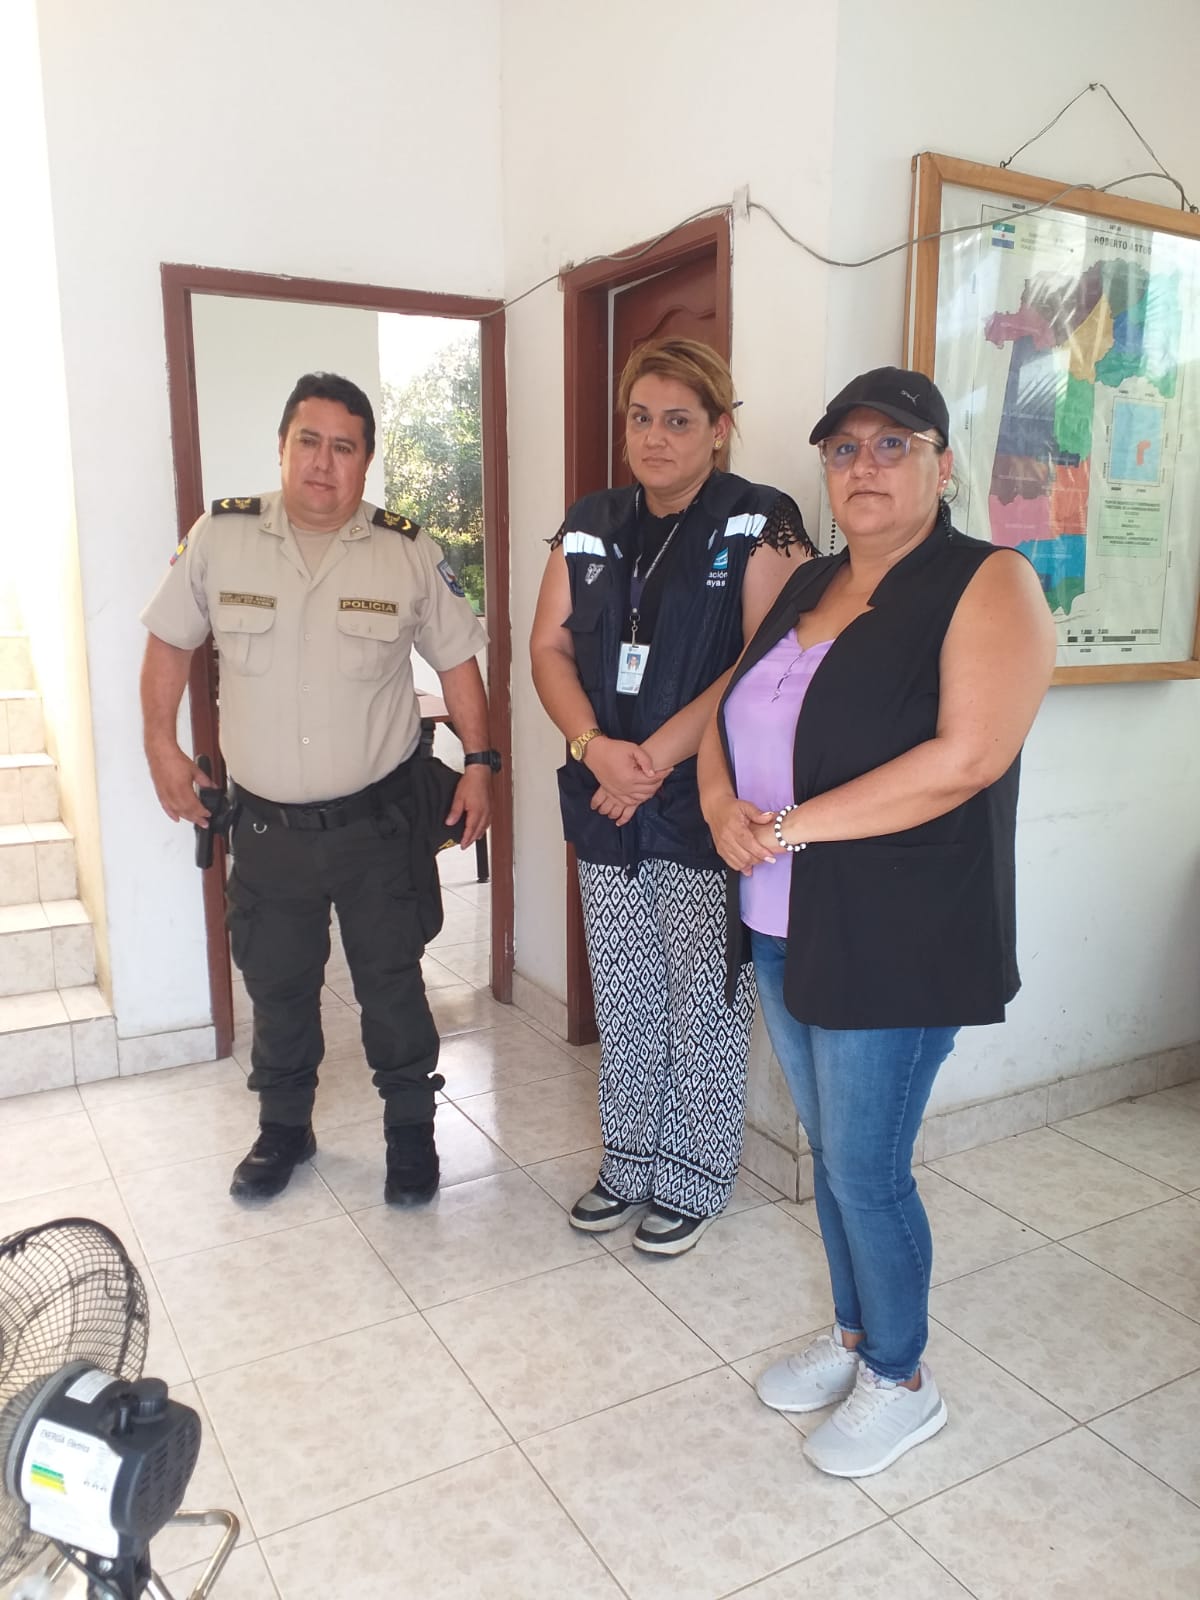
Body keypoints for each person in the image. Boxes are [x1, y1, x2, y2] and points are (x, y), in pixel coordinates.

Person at [700, 366, 1055, 1475]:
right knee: (834, 1155)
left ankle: (903, 1378)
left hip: (899, 934)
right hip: (781, 921)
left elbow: (967, 759)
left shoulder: (987, 582)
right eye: (845, 448)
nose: (865, 465)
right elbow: (725, 712)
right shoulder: (810, 582)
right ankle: (856, 1336)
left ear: (941, 466)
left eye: (893, 444)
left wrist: (790, 825)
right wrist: (718, 804)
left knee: (866, 1168)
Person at [140, 372, 497, 1206]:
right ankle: (283, 1129)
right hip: (267, 830)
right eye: (309, 441)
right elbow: (168, 641)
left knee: (392, 984)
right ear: (282, 446)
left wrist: (481, 763)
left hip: (377, 825)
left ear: (366, 462)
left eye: (344, 447)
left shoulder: (405, 551)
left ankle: (410, 1133)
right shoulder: (220, 538)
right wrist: (160, 745)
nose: (323, 462)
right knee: (277, 985)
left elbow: (457, 661)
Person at [530, 338, 814, 1256]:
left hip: (705, 804)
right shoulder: (589, 522)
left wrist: (646, 760)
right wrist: (594, 749)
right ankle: (628, 1161)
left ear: (719, 429)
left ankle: (694, 1173)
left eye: (679, 420)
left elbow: (764, 658)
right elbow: (548, 647)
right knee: (625, 994)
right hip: (605, 800)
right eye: (641, 418)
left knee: (704, 1001)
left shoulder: (759, 520)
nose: (654, 438)